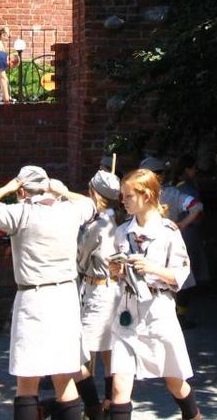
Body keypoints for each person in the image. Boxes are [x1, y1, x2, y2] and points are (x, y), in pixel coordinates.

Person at [0, 166, 95, 420]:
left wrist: (7, 187)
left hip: (33, 297)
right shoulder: (69, 210)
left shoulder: (20, 212)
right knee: (65, 376)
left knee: (27, 379)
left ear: (22, 190)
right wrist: (64, 192)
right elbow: (91, 205)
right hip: (65, 297)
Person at [106, 168, 201, 420]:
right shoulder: (121, 232)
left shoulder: (168, 232)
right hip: (127, 310)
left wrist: (153, 269)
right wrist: (115, 269)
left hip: (157, 311)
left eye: (128, 196)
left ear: (146, 195)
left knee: (175, 381)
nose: (123, 201)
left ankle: (193, 415)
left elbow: (180, 275)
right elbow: (116, 274)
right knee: (119, 386)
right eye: (122, 196)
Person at [73, 170, 125, 418]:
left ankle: (93, 406)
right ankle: (107, 403)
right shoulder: (114, 220)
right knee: (108, 351)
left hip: (99, 291)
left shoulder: (98, 225)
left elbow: (81, 259)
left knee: (79, 353)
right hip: (110, 290)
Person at [138, 157, 205, 327]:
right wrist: (182, 224)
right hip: (168, 246)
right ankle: (179, 316)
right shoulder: (173, 193)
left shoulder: (135, 194)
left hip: (140, 245)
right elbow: (197, 206)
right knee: (179, 279)